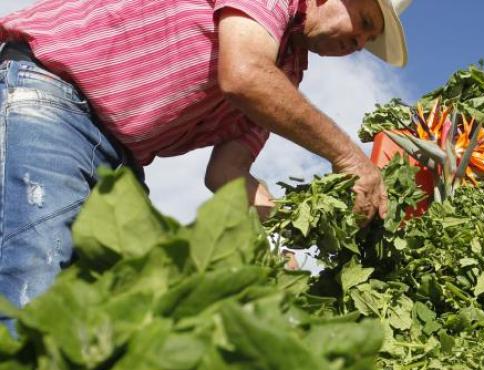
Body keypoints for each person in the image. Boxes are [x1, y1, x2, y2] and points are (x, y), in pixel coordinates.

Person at [0, 0, 413, 316]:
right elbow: (243, 74)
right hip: (53, 92)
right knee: (35, 284)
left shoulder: (285, 73)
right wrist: (352, 159)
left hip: (120, 153)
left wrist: (278, 236)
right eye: (364, 23)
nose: (358, 43)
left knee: (131, 305)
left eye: (365, 42)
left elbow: (227, 174)